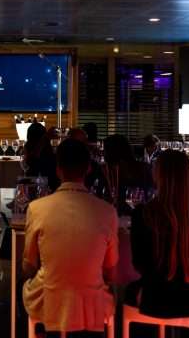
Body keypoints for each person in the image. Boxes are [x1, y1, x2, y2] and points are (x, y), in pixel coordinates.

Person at [23, 138, 118, 335]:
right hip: (92, 302)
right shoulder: (107, 212)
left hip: (49, 299)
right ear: (89, 168)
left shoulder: (37, 208)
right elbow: (110, 270)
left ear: (58, 170)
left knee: (23, 285)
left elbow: (29, 264)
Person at [126, 149, 189, 319]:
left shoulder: (143, 214)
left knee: (127, 292)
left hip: (156, 300)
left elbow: (139, 265)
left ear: (158, 176)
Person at [102, 134, 153, 214]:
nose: (103, 154)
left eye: (105, 151)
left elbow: (152, 196)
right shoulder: (109, 174)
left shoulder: (145, 170)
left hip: (143, 216)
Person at [23, 122, 58, 189]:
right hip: (44, 183)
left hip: (36, 183)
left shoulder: (29, 146)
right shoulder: (42, 146)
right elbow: (32, 160)